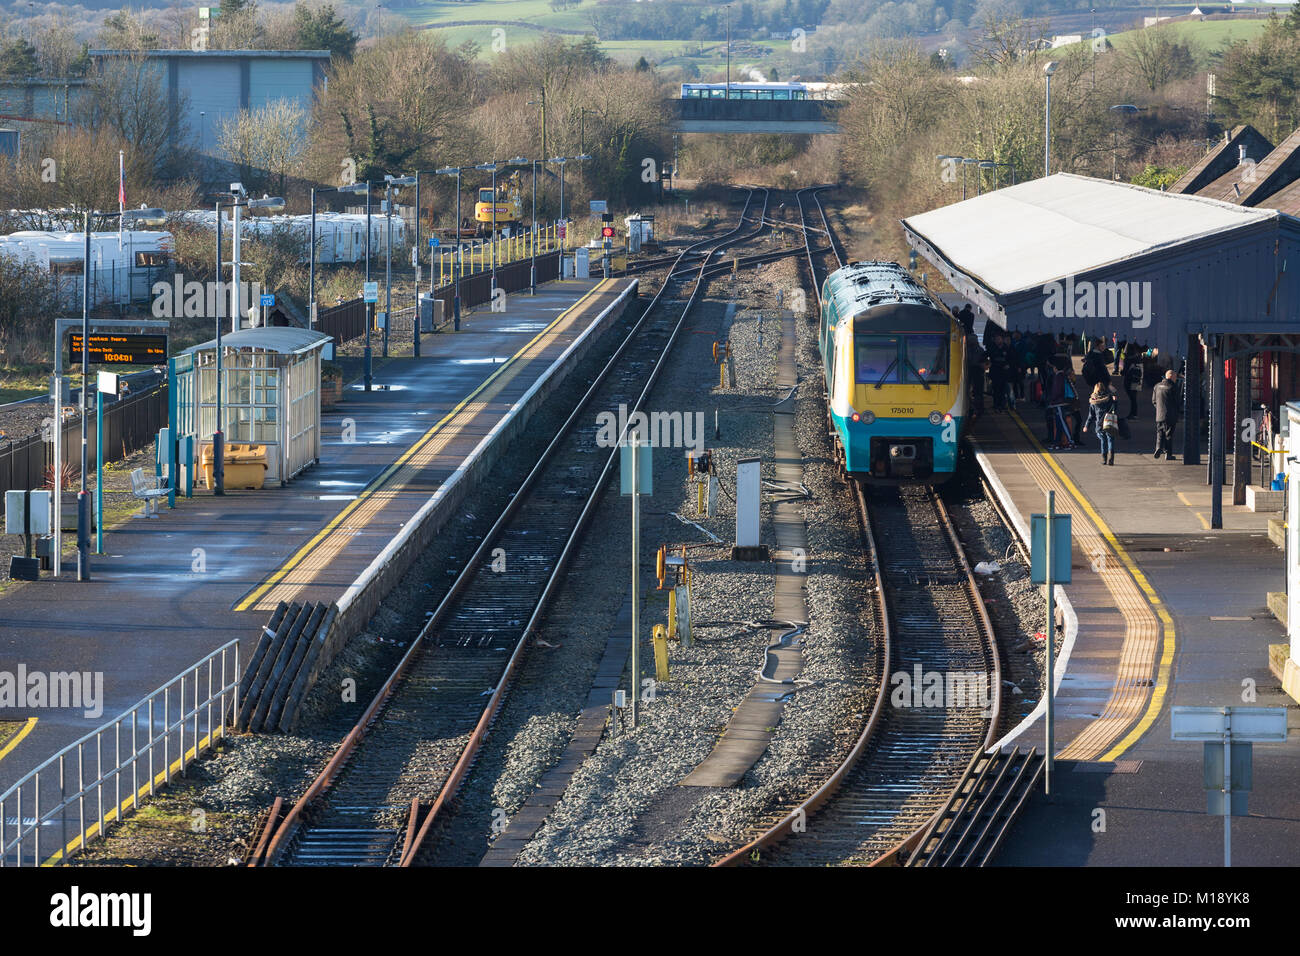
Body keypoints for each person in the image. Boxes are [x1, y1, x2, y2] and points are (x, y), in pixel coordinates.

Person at [1082, 382, 1119, 465]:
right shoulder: (1109, 398)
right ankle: (1111, 459)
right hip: (1109, 422)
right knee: (1110, 440)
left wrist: (1086, 426)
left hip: (1099, 424)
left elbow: (1091, 415)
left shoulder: (1093, 400)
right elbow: (1115, 409)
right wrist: (1115, 401)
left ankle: (1104, 459)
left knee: (1103, 440)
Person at [1152, 369, 1181, 460]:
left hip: (1159, 415)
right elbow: (1177, 401)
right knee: (1169, 434)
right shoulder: (1173, 386)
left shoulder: (1157, 386)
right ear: (1172, 377)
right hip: (1170, 415)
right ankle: (1168, 454)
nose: (1176, 379)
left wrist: (1159, 409)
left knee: (1160, 432)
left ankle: (1158, 448)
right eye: (1175, 377)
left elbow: (1154, 401)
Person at [1122, 345, 1143, 419]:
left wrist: (1122, 372)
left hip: (1129, 379)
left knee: (1132, 397)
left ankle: (1133, 414)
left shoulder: (1128, 359)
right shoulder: (1138, 358)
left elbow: (1124, 372)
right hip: (1137, 379)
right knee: (1134, 397)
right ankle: (1134, 413)